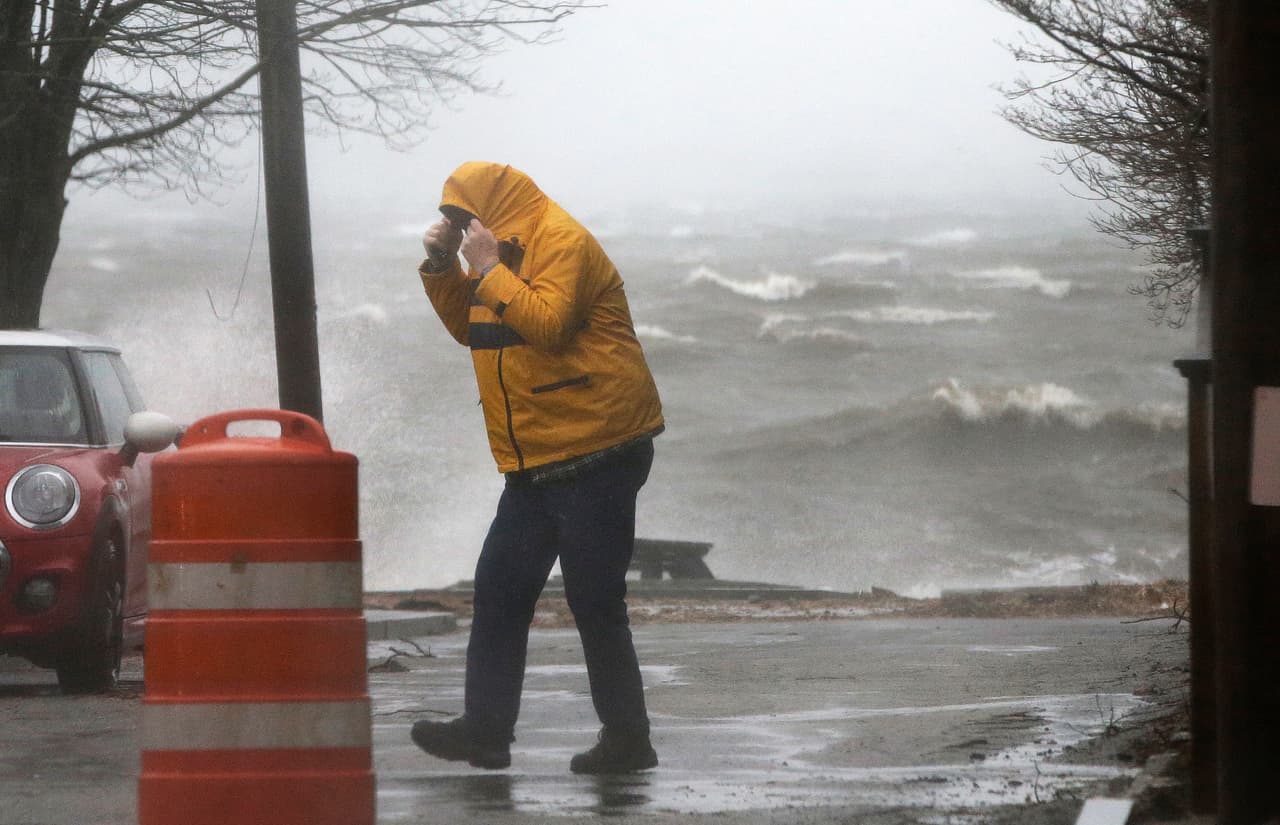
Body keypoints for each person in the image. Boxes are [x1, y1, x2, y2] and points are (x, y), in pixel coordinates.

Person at [410, 161, 665, 774]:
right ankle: (485, 732)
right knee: (499, 591)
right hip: (535, 456)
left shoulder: (560, 240)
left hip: (598, 446)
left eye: (461, 217)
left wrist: (489, 266)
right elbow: (473, 330)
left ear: (492, 209)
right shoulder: (501, 252)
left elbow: (548, 326)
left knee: (594, 599)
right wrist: (446, 267)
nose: (457, 225)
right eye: (450, 219)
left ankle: (629, 741)